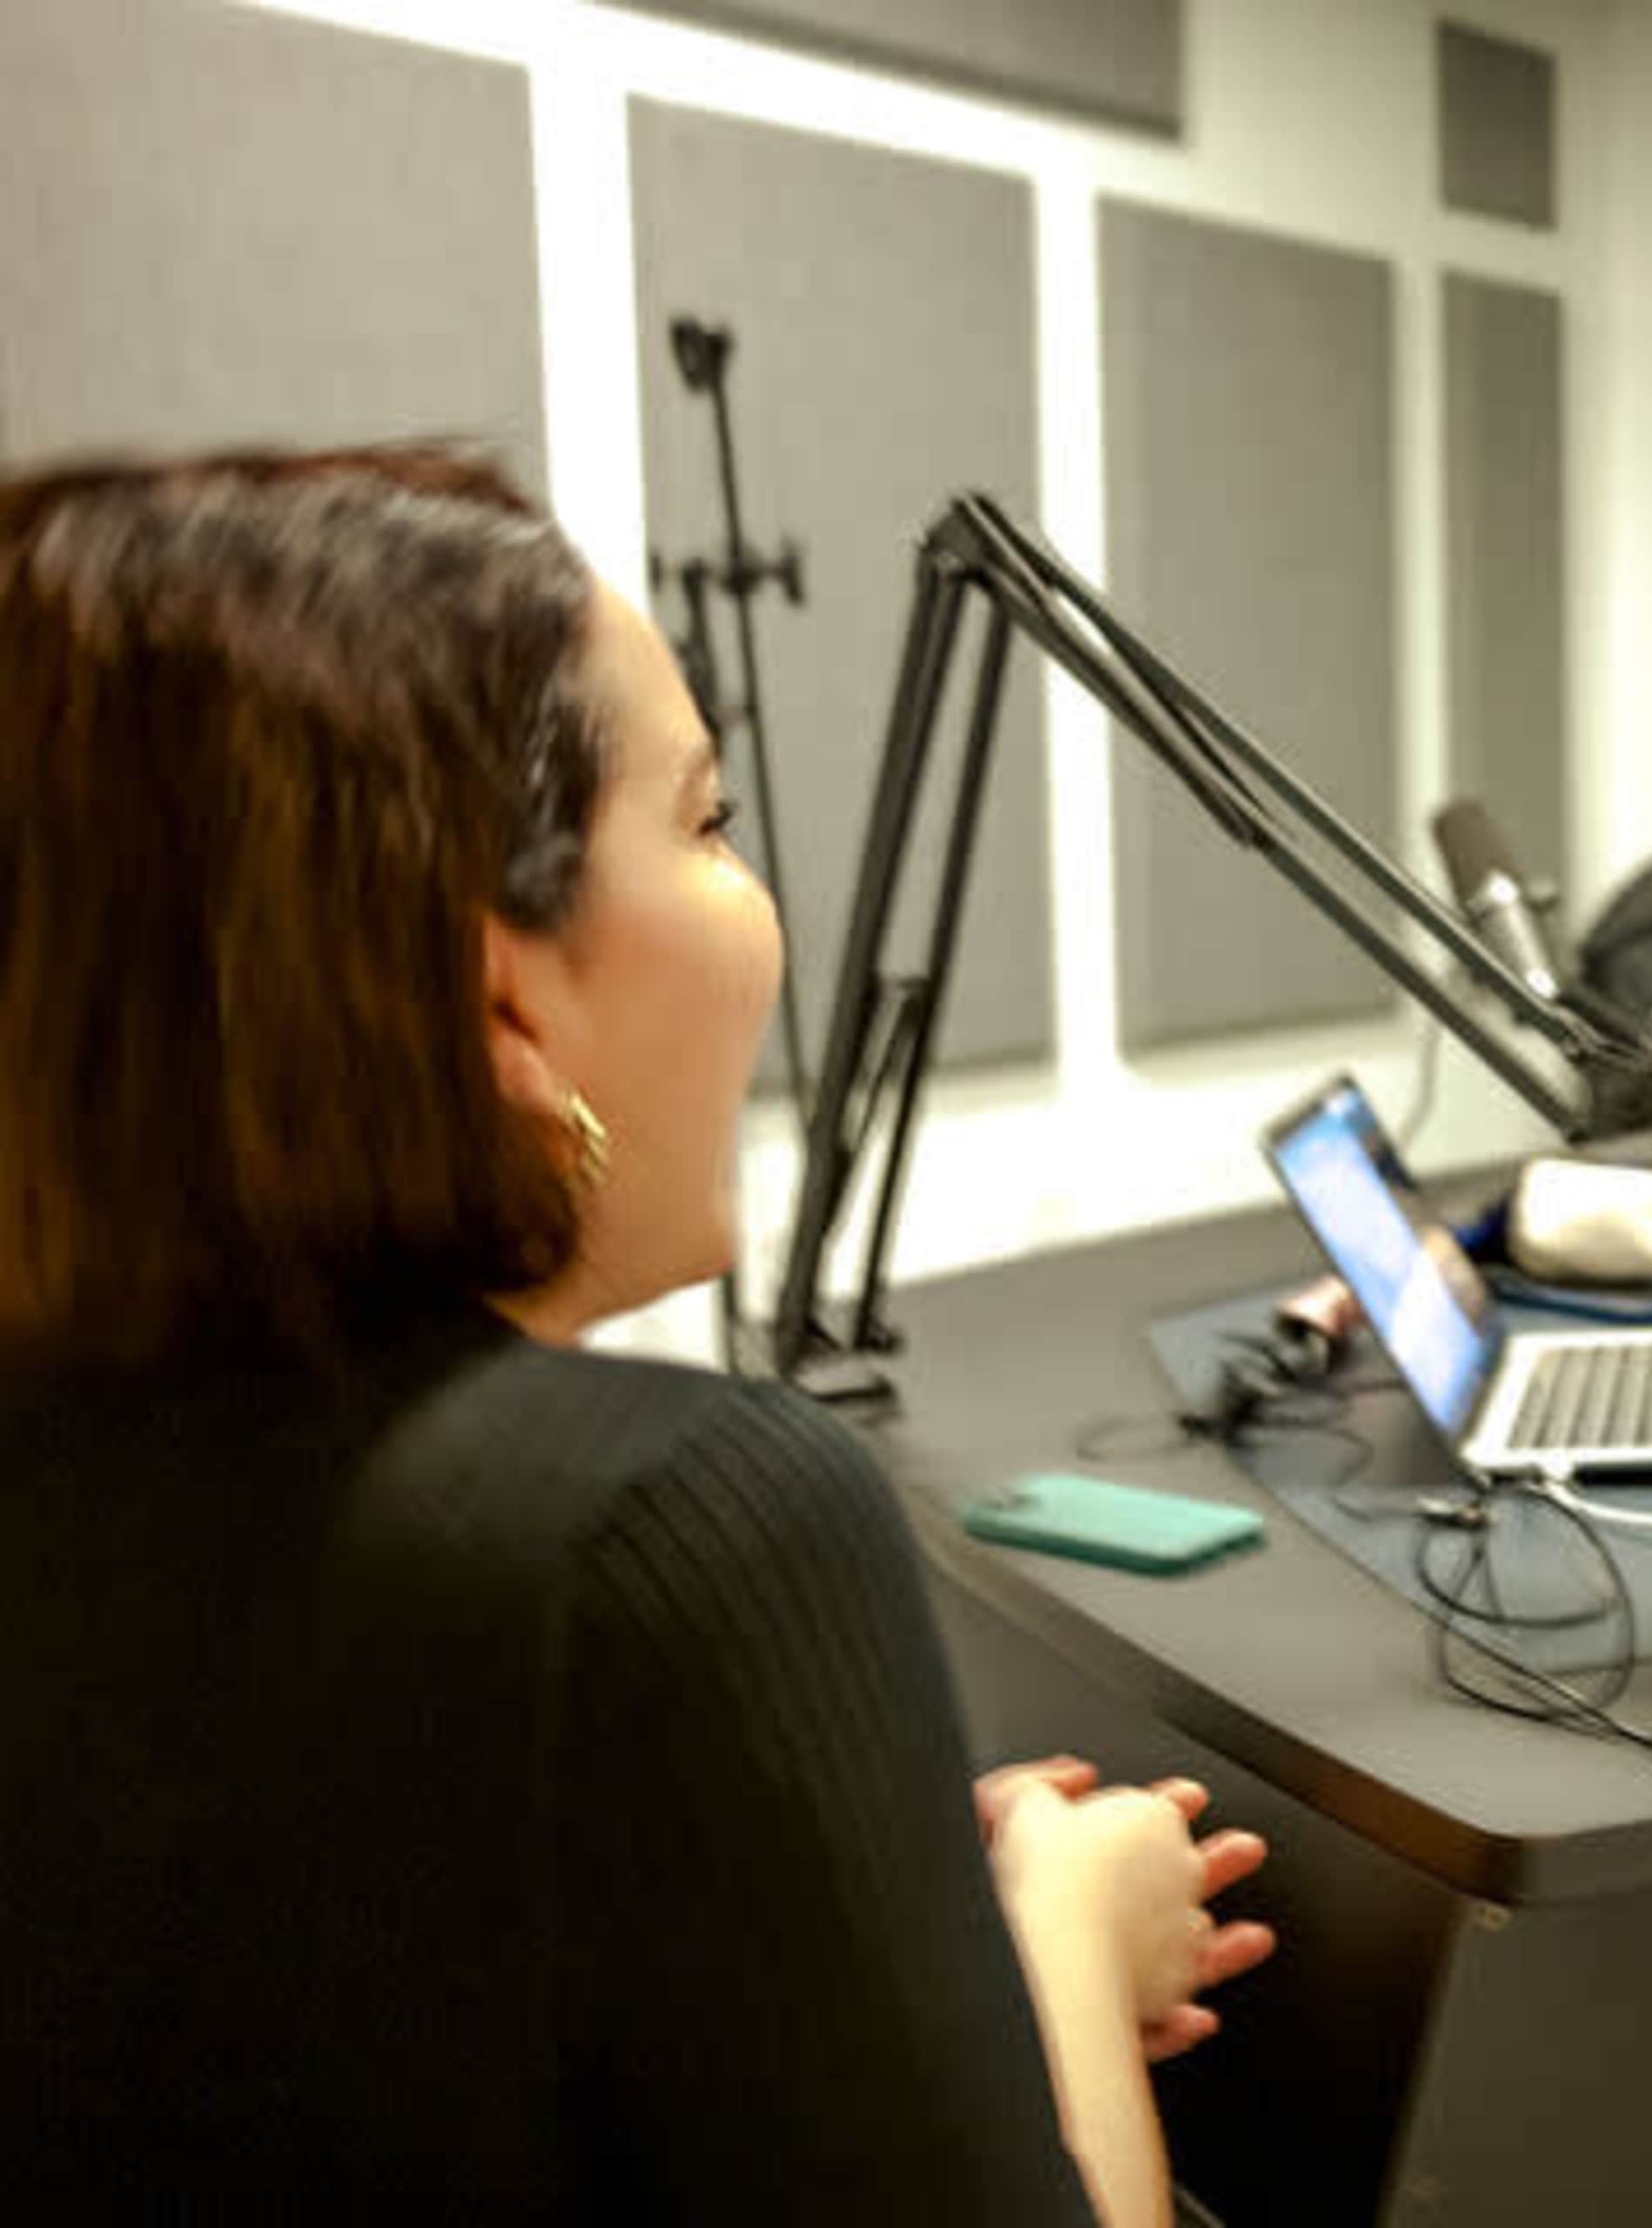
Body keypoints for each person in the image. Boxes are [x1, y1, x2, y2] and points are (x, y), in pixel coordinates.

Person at [0, 447, 1270, 2221]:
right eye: (707, 819)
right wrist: (1069, 1932)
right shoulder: (677, 1526)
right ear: (507, 998)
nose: (755, 899)